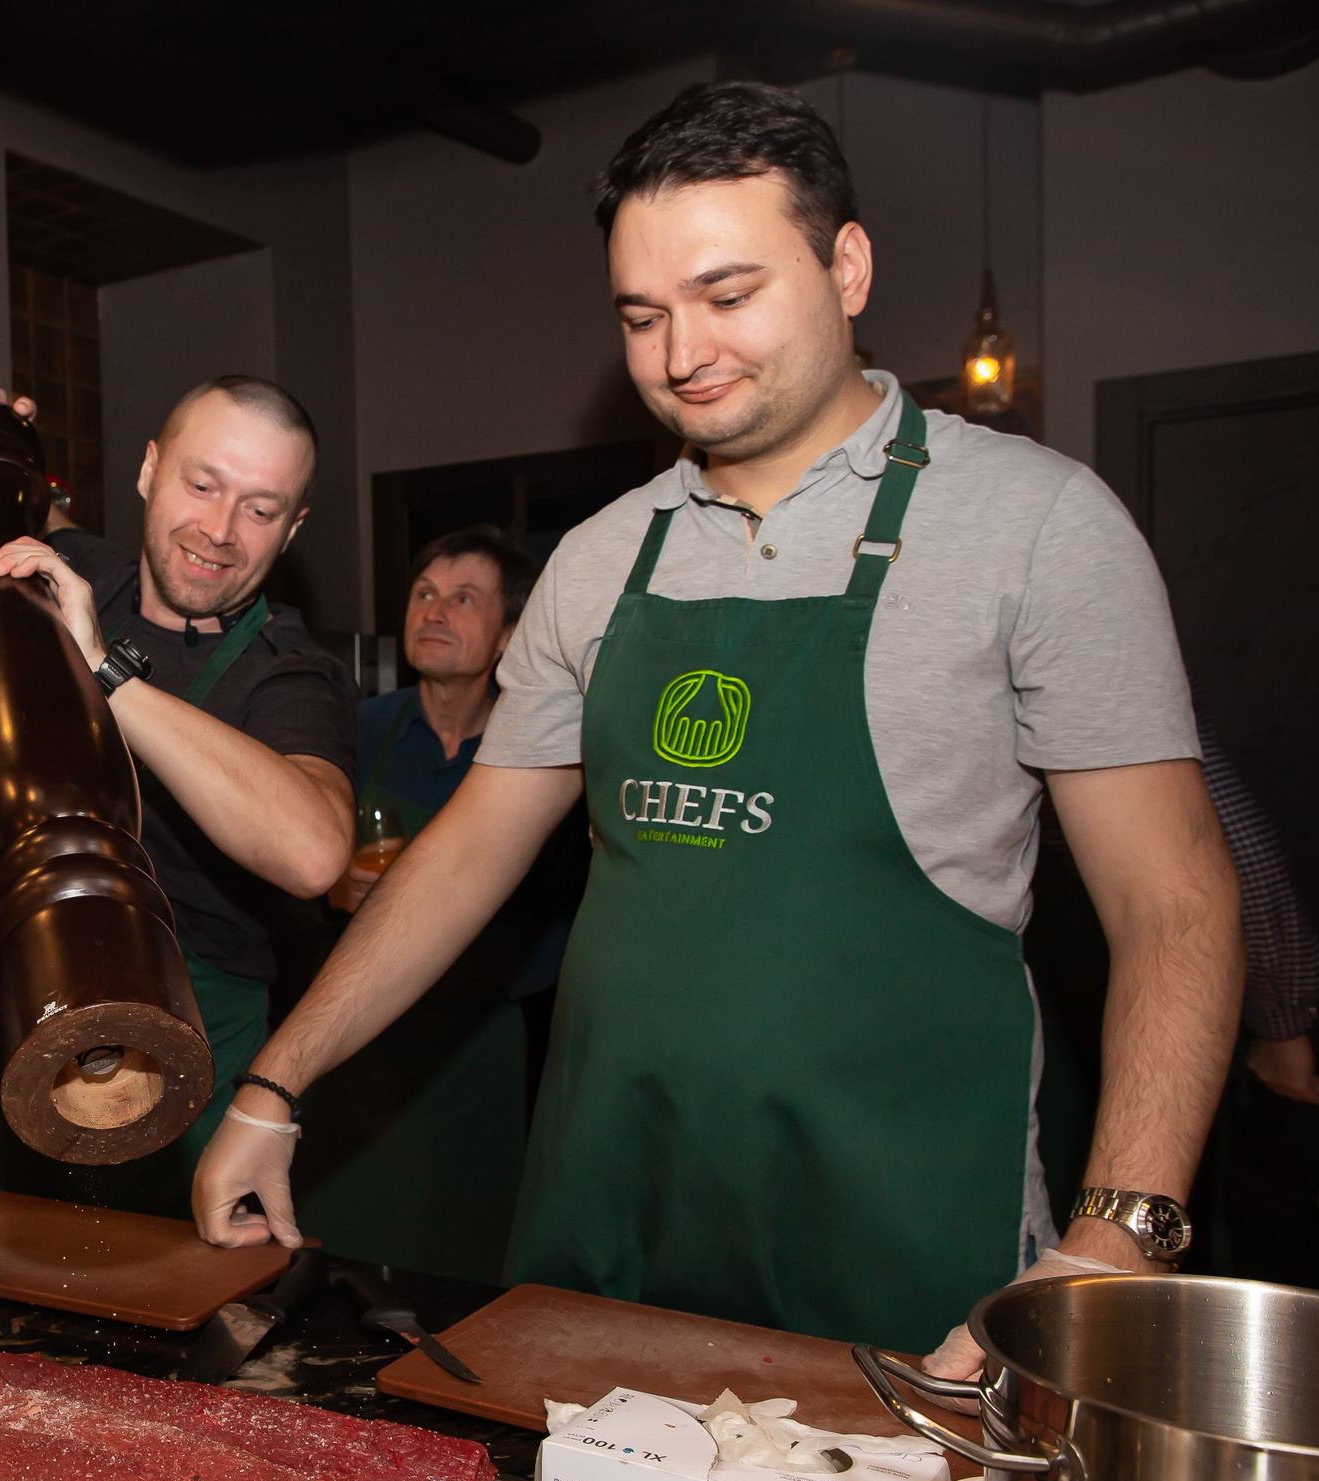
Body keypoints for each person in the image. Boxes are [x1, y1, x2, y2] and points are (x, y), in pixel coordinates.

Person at [193, 82, 1243, 1361]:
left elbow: (1177, 905)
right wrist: (277, 1080)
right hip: (611, 1229)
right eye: (643, 316)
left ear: (845, 265)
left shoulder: (1035, 528)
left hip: (906, 1252)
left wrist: (1115, 1242)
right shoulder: (596, 560)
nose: (680, 353)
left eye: (728, 295)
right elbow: (466, 855)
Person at [0, 378, 358, 1216]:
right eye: (201, 484)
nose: (220, 531)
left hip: (196, 1031)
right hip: (28, 996)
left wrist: (107, 674)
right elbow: (6, 502)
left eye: (261, 508)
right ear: (148, 470)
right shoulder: (77, 568)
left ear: (294, 527)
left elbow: (314, 852)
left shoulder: (292, 672)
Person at [291, 525, 586, 1282]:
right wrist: (330, 891)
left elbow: (564, 910)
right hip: (362, 1052)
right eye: (424, 594)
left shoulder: (543, 752)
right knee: (336, 1259)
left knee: (472, 1268)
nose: (435, 612)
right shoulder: (354, 732)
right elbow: (275, 880)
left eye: (464, 599)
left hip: (480, 1051)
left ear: (511, 633)